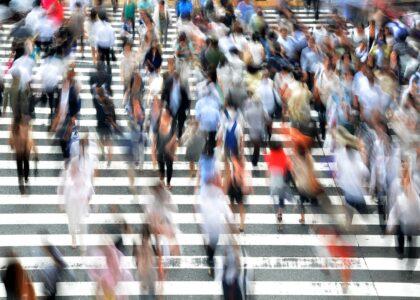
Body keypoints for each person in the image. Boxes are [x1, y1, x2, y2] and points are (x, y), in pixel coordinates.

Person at [58, 137, 97, 249]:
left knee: (81, 219)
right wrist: (61, 202)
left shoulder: (90, 161)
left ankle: (80, 240)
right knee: (72, 220)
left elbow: (90, 179)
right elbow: (63, 183)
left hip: (81, 196)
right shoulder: (73, 163)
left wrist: (90, 195)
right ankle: (73, 239)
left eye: (85, 146)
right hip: (71, 198)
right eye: (82, 147)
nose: (83, 149)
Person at [9, 116, 37, 194]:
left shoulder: (14, 126)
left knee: (19, 166)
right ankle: (25, 178)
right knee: (26, 164)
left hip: (19, 151)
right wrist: (35, 151)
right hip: (25, 150)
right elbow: (30, 138)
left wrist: (12, 145)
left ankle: (21, 179)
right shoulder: (26, 125)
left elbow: (11, 139)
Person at [152, 108, 178, 189]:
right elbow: (155, 136)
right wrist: (153, 149)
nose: (163, 115)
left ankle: (168, 182)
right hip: (160, 148)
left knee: (169, 166)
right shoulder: (158, 121)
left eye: (165, 113)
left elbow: (175, 135)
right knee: (161, 166)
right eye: (162, 114)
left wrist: (170, 144)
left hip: (169, 151)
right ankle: (162, 180)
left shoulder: (173, 122)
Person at [161, 71, 190, 139]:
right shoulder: (168, 87)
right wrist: (163, 103)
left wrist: (186, 109)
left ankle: (179, 137)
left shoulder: (182, 89)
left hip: (181, 111)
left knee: (180, 125)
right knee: (172, 125)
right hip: (171, 110)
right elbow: (163, 95)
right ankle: (171, 137)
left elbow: (187, 100)